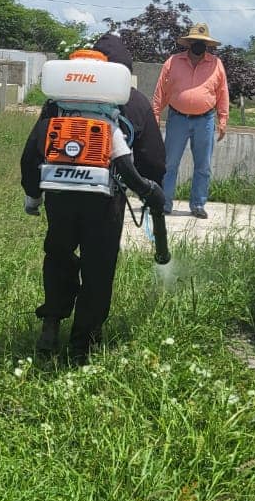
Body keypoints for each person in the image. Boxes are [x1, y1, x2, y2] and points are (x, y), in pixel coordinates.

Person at [21, 36, 166, 363]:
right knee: (99, 266)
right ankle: (82, 344)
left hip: (59, 194)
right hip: (105, 200)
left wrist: (33, 195)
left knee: (58, 254)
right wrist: (150, 190)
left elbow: (32, 153)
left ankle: (51, 322)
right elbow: (154, 161)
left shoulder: (59, 101)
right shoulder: (135, 102)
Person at [152, 21, 229, 219]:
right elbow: (161, 89)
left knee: (203, 165)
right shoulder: (173, 62)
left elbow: (222, 93)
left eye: (202, 42)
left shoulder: (216, 64)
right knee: (169, 163)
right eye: (195, 41)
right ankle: (165, 203)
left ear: (207, 45)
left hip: (205, 120)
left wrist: (223, 119)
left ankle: (198, 205)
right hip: (177, 119)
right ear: (189, 43)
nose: (198, 45)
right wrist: (155, 114)